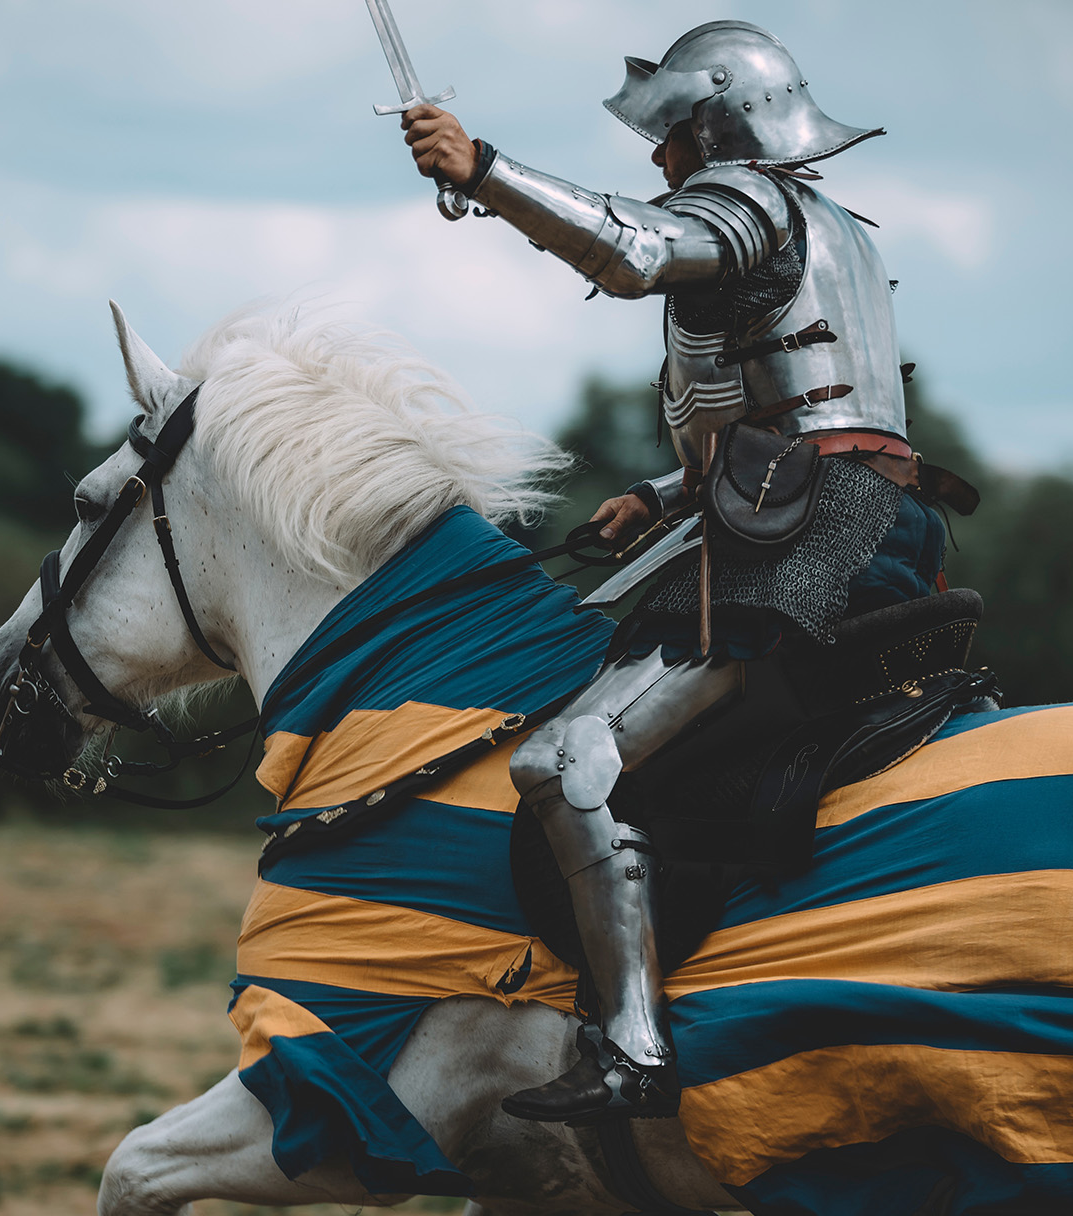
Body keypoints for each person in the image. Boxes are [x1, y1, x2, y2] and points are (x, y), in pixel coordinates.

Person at [400, 21, 949, 1124]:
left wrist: (484, 169)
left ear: (714, 125)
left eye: (667, 139)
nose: (657, 161)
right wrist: (662, 493)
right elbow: (809, 400)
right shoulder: (827, 223)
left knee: (565, 761)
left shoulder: (747, 204)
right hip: (836, 507)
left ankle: (634, 1050)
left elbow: (634, 250)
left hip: (810, 526)